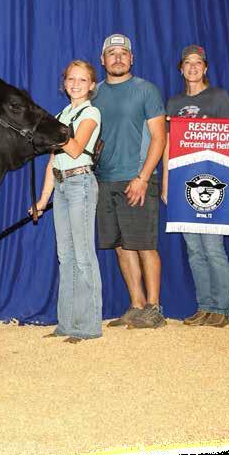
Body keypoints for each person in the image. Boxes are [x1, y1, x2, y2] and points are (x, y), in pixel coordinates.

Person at [93, 33, 167, 329]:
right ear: (103, 60)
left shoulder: (146, 90)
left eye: (123, 53)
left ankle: (154, 307)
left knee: (144, 244)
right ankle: (136, 305)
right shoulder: (94, 93)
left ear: (132, 58)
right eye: (112, 53)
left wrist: (143, 177)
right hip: (105, 180)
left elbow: (159, 138)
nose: (118, 58)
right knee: (121, 246)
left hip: (137, 179)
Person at [161, 45, 229, 327]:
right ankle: (204, 305)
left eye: (198, 63)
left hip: (213, 181)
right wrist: (166, 181)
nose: (192, 67)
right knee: (194, 249)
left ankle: (221, 308)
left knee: (213, 247)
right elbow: (168, 143)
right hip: (183, 182)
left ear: (205, 68)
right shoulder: (174, 102)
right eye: (187, 63)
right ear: (181, 69)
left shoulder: (218, 97)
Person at [32, 60, 103, 343]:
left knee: (83, 256)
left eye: (82, 80)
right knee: (66, 256)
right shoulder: (62, 114)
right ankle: (67, 323)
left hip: (80, 183)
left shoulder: (91, 112)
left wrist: (50, 130)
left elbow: (75, 149)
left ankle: (88, 325)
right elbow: (53, 161)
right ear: (64, 83)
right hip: (62, 185)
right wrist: (42, 199)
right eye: (71, 79)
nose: (76, 84)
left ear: (91, 85)